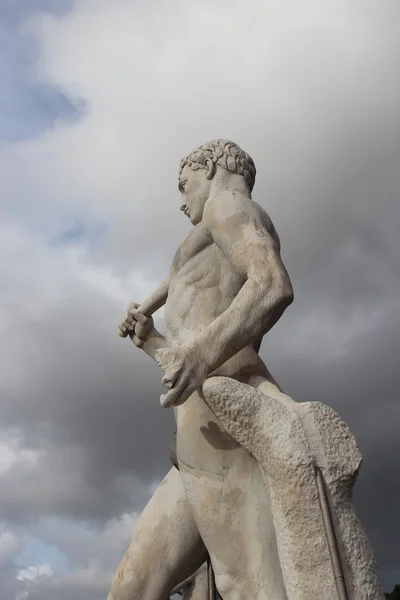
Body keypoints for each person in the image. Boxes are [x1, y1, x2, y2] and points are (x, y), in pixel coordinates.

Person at [107, 139, 294, 600]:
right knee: (132, 586)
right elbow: (182, 292)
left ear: (208, 168)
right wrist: (150, 331)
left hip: (225, 417)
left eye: (183, 183)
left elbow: (271, 284)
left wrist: (201, 354)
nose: (180, 198)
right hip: (199, 429)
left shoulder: (230, 203)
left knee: (248, 584)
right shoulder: (210, 232)